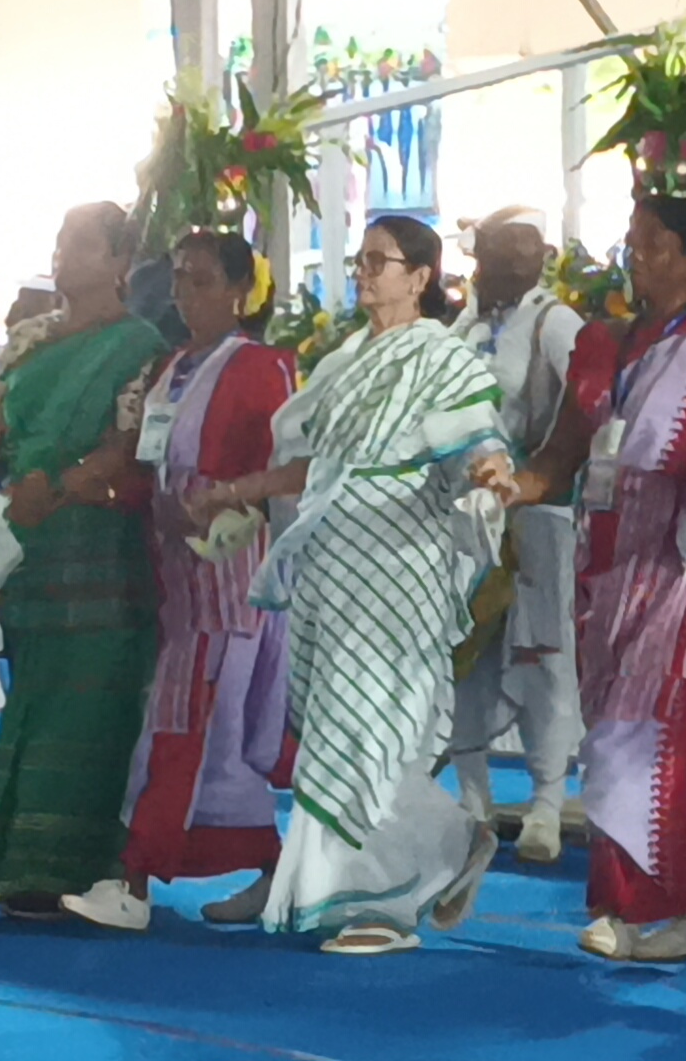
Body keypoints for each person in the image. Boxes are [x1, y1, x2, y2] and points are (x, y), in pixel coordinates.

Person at [186, 216, 509, 956]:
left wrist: (489, 473)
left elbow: (474, 442)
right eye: (359, 260)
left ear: (421, 277)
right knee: (334, 727)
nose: (362, 273)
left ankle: (384, 909)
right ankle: (449, 843)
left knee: (371, 727)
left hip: (399, 571)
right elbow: (317, 465)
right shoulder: (345, 360)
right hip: (331, 571)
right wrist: (238, 489)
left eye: (378, 262)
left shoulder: (440, 357)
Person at [503, 195, 686, 962]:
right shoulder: (600, 343)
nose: (637, 256)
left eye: (655, 244)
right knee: (614, 734)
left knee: (651, 735)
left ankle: (623, 908)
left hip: (684, 559)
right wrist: (505, 485)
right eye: (632, 241)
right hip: (603, 566)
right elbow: (560, 456)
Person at [0, 202, 167, 917]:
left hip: (99, 542)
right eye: (60, 241)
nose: (61, 254)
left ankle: (88, 870)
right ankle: (26, 870)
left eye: (79, 244)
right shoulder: (28, 339)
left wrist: (58, 489)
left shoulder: (142, 345)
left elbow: (128, 446)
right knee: (33, 700)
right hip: (27, 547)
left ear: (119, 264)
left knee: (89, 712)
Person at [61, 229, 295, 931]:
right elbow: (150, 465)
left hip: (231, 582)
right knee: (216, 747)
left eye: (200, 281)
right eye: (180, 280)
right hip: (174, 578)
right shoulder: (173, 365)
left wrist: (230, 503)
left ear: (238, 289)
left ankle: (132, 881)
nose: (185, 295)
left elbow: (290, 465)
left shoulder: (263, 366)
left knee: (182, 729)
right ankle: (275, 865)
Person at [446, 207, 584, 864]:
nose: (517, 259)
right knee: (464, 654)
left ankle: (547, 806)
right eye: (505, 247)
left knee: (544, 654)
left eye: (531, 248)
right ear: (481, 253)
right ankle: (474, 802)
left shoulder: (555, 322)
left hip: (537, 512)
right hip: (468, 517)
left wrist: (533, 476)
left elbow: (588, 407)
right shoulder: (463, 324)